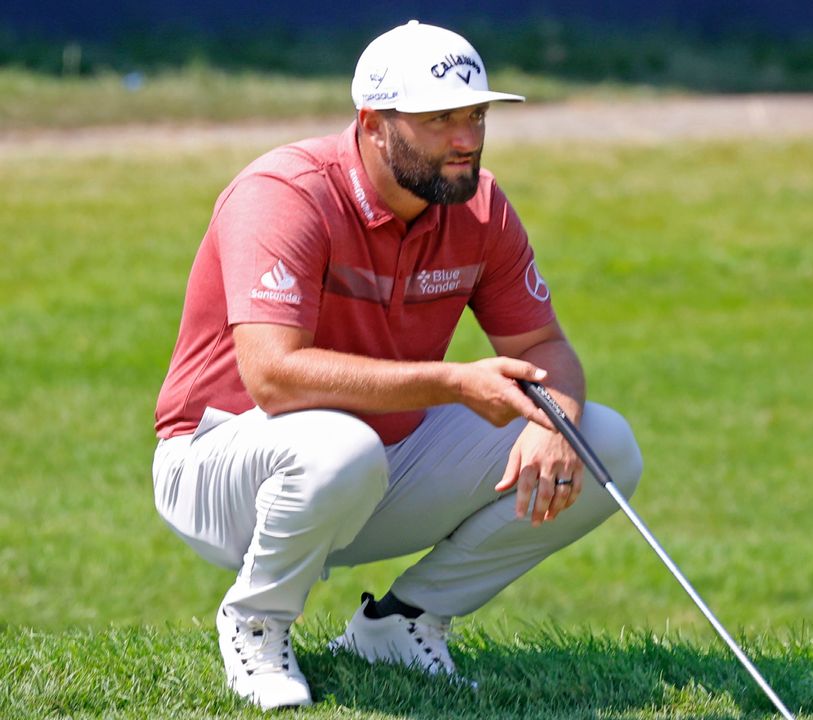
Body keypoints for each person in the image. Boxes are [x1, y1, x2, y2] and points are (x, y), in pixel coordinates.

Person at [151, 20, 643, 710]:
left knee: (605, 447)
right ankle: (257, 622)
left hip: (374, 458)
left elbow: (543, 349)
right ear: (374, 124)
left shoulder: (479, 205)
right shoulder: (285, 193)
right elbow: (274, 376)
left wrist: (554, 426)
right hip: (219, 461)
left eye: (475, 115)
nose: (466, 138)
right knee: (341, 449)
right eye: (439, 119)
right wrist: (452, 381)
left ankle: (401, 622)